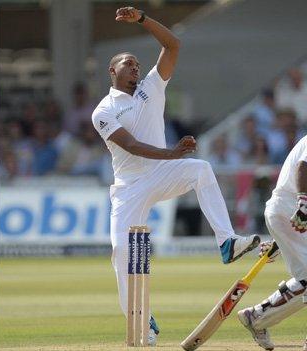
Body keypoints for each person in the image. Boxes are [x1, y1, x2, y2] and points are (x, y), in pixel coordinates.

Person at [90, 7, 260, 345]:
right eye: (128, 63)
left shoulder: (151, 87)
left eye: (138, 63)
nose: (136, 66)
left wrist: (142, 20)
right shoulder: (104, 110)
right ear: (112, 70)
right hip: (130, 187)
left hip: (163, 172)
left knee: (202, 169)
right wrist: (174, 152)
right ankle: (143, 323)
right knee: (121, 253)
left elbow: (173, 46)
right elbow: (133, 146)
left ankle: (226, 242)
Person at [237, 134, 307, 351]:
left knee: (304, 280)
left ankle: (256, 317)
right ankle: (257, 317)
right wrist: (303, 204)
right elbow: (303, 166)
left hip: (288, 212)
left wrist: (279, 242)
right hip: (292, 208)